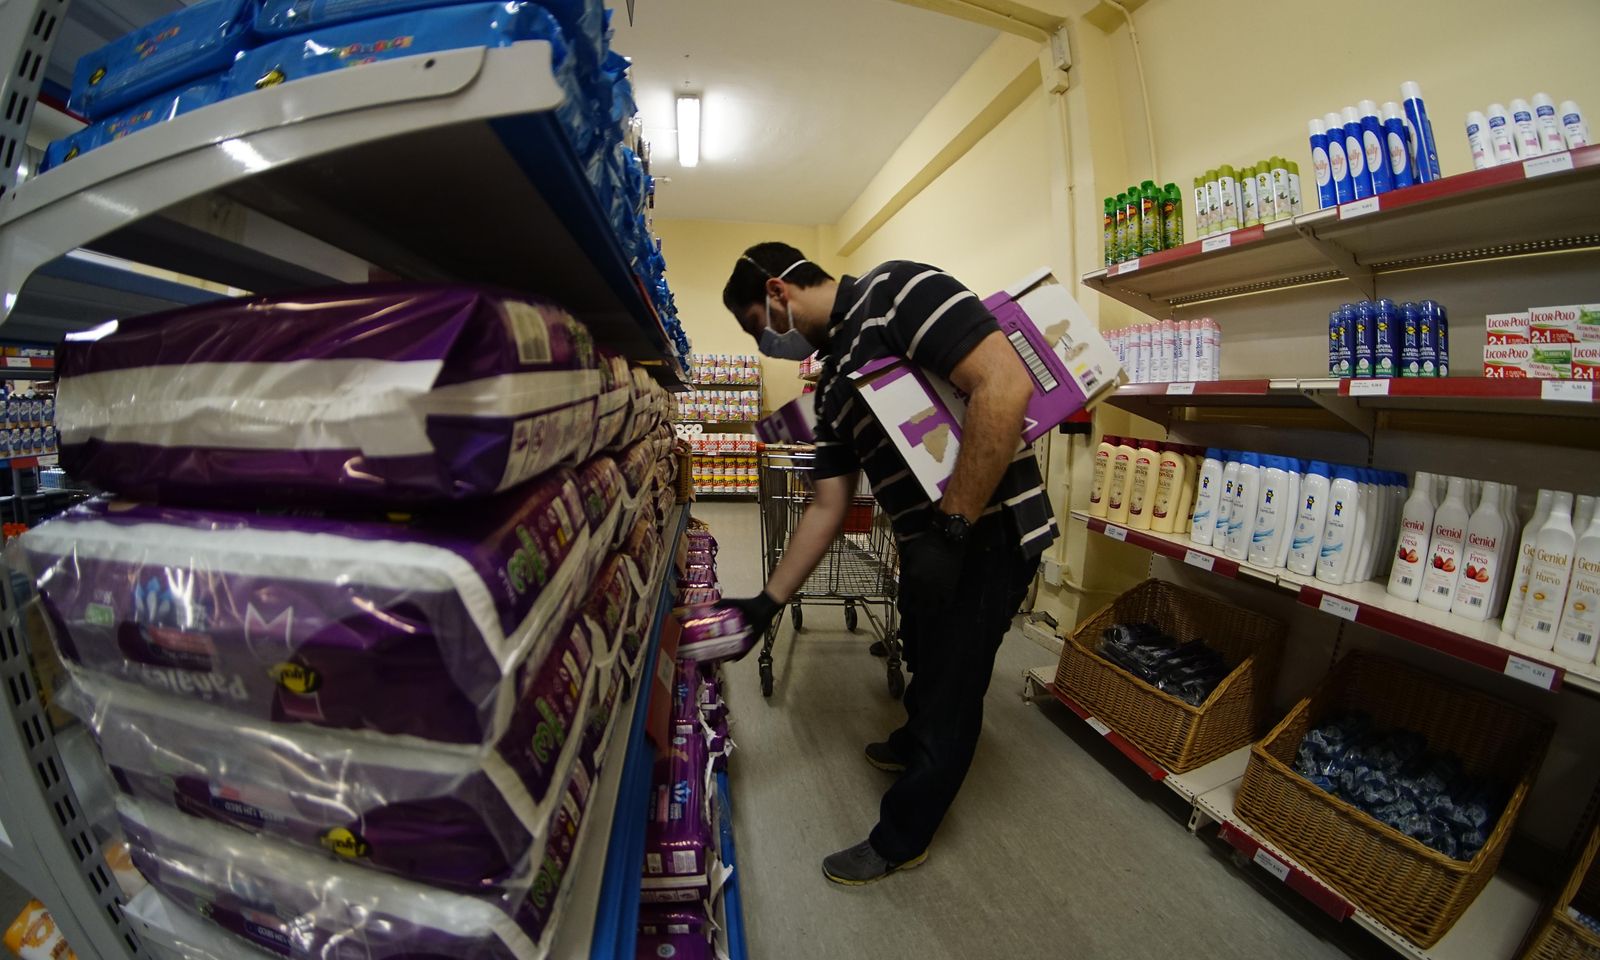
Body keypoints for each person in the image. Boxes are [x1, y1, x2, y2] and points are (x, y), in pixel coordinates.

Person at [718, 242, 1058, 885]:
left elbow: (1004, 383)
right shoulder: (835, 381)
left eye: (754, 326)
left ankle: (903, 836)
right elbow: (828, 505)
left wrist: (952, 526)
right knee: (923, 643)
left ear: (777, 292)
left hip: (987, 533)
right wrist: (768, 602)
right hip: (931, 544)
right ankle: (911, 741)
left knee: (955, 680)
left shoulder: (899, 290)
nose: (764, 345)